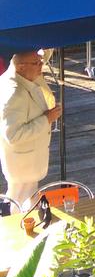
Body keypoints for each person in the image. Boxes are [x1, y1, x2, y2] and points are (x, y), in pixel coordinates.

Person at [0, 51, 62, 207]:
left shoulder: (23, 79)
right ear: (20, 67)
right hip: (21, 163)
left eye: (41, 62)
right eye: (37, 63)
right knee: (15, 202)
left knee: (30, 198)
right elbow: (13, 135)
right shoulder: (14, 93)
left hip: (27, 159)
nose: (41, 66)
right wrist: (47, 119)